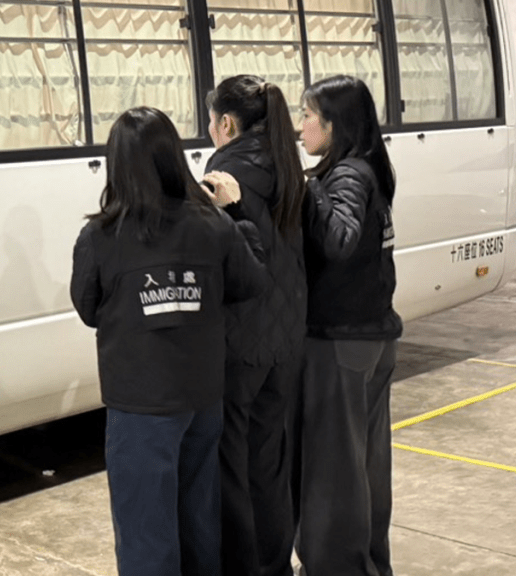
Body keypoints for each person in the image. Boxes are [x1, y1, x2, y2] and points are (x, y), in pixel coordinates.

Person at [69, 106, 269, 576]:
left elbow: (88, 308)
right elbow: (251, 282)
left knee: (145, 533)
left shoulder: (100, 235)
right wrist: (239, 218)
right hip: (203, 399)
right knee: (198, 521)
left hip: (140, 404)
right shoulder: (213, 224)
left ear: (117, 165)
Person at [296, 75, 402, 576]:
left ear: (334, 125)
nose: (300, 126)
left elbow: (338, 239)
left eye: (307, 116)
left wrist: (307, 190)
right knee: (366, 463)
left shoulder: (346, 177)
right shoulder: (370, 169)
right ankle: (369, 563)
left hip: (341, 340)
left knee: (334, 467)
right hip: (373, 336)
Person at [203, 75, 306, 576]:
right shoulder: (286, 161)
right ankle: (274, 565)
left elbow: (221, 255)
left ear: (226, 123)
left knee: (231, 468)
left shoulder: (225, 171)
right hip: (286, 337)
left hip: (241, 339)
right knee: (268, 464)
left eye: (211, 120)